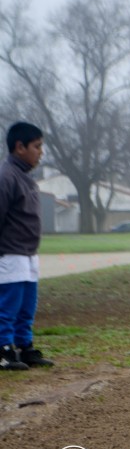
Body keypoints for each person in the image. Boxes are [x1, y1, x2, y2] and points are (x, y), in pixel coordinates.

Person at [0, 122, 53, 371]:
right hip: (10, 254)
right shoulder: (6, 176)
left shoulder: (25, 177)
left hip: (28, 254)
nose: (40, 152)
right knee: (8, 305)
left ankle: (25, 346)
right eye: (37, 146)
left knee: (26, 305)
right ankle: (3, 350)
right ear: (19, 147)